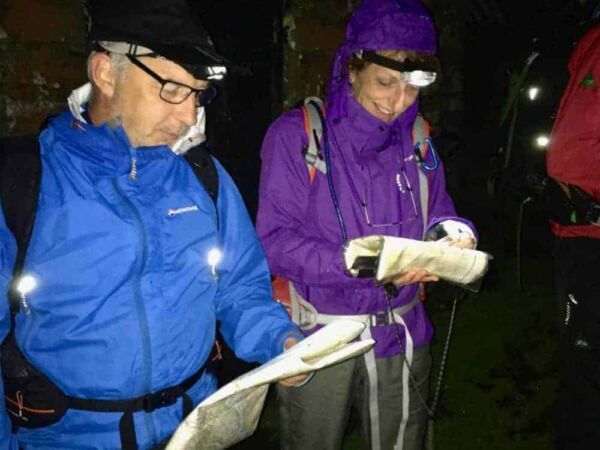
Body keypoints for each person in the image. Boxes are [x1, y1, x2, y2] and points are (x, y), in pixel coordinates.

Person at [0, 0, 305, 448]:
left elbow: (239, 288)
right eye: (171, 90)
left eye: (197, 94)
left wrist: (280, 341)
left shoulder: (205, 178)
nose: (188, 116)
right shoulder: (23, 181)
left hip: (194, 430)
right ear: (106, 73)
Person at [256, 0, 476, 449]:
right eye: (384, 83)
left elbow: (440, 207)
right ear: (352, 68)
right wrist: (359, 263)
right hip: (320, 332)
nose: (397, 102)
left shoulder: (417, 137)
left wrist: (452, 234)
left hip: (402, 330)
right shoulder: (296, 136)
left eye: (411, 89)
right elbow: (274, 241)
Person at [545, 23, 600, 450]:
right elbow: (567, 155)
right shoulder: (595, 44)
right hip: (583, 236)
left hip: (585, 234)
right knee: (584, 367)